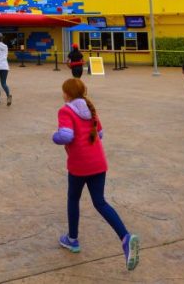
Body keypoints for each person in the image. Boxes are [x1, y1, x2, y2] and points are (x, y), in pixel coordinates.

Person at [53, 78, 140, 271]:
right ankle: (125, 237)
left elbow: (66, 135)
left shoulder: (65, 110)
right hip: (98, 163)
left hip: (79, 165)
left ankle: (72, 239)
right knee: (100, 202)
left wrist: (55, 136)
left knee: (73, 199)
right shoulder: (90, 109)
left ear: (67, 94)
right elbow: (99, 134)